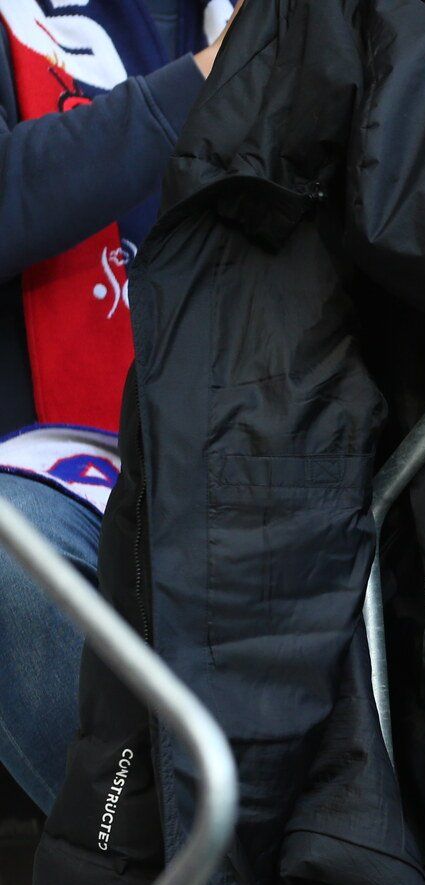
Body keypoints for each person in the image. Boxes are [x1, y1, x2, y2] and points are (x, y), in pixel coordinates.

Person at [0, 0, 233, 814]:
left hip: (275, 435)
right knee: (10, 559)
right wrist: (208, 80)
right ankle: (150, 868)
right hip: (48, 465)